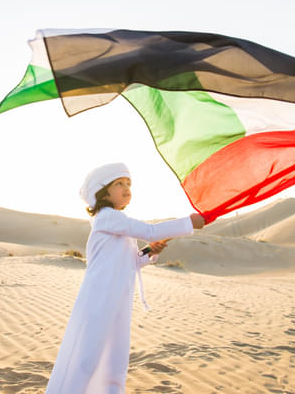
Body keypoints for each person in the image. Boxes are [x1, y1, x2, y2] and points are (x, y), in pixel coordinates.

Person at [45, 162, 206, 394]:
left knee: (115, 358)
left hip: (118, 299)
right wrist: (188, 223)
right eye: (118, 183)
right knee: (86, 356)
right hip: (98, 298)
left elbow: (133, 260)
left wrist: (150, 251)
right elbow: (150, 231)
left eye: (128, 183)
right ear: (100, 192)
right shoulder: (106, 217)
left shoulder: (118, 223)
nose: (126, 187)